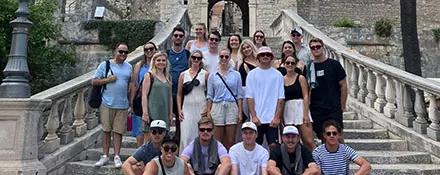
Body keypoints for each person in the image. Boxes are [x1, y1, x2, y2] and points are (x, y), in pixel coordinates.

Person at [92, 42, 132, 168]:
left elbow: (130, 85)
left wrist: (130, 103)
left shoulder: (129, 67)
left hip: (123, 104)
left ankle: (117, 156)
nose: (123, 54)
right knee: (106, 130)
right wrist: (107, 80)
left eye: (125, 52)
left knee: (118, 131)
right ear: (116, 51)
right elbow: (93, 81)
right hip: (106, 103)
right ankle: (104, 156)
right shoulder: (105, 64)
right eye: (121, 51)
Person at [308, 38, 348, 141]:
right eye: (313, 47)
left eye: (318, 47)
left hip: (333, 108)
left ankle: (342, 157)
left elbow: (343, 85)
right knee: (323, 138)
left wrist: (342, 105)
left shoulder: (334, 65)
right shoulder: (309, 68)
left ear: (323, 47)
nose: (316, 49)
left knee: (337, 137)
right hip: (316, 109)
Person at [246, 46, 284, 150]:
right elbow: (250, 97)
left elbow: (280, 98)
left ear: (272, 57)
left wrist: (277, 117)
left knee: (274, 146)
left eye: (268, 55)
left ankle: (273, 166)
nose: (265, 57)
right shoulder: (251, 74)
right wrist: (253, 116)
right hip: (257, 118)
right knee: (255, 146)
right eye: (262, 55)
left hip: (272, 119)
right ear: (258, 57)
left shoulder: (278, 75)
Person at [206, 49, 244, 149]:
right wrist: (208, 111)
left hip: (231, 105)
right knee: (217, 139)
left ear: (229, 58)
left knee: (230, 139)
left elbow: (239, 95)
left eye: (226, 57)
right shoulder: (213, 75)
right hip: (217, 105)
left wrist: (240, 111)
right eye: (222, 56)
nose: (224, 59)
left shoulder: (236, 75)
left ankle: (230, 160)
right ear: (219, 58)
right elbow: (210, 95)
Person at [177, 50, 209, 151]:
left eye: (198, 58)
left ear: (201, 60)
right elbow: (179, 94)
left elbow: (209, 94)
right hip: (187, 108)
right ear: (190, 59)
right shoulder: (183, 74)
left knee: (198, 134)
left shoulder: (206, 74)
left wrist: (208, 109)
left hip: (201, 108)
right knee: (186, 135)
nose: (196, 60)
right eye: (194, 57)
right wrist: (179, 110)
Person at [282, 55, 316, 151]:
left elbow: (305, 96)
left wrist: (305, 114)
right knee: (291, 142)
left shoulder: (300, 78)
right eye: (287, 63)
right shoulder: (281, 79)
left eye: (292, 63)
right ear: (284, 64)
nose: (290, 65)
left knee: (308, 141)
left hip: (300, 108)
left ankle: (317, 163)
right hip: (287, 110)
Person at [130, 42, 157, 146]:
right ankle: (139, 153)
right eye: (146, 50)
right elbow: (134, 85)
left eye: (151, 49)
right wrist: (131, 103)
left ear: (155, 50)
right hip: (141, 100)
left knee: (152, 129)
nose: (149, 51)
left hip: (154, 100)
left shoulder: (159, 64)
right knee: (139, 129)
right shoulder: (139, 65)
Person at [168, 26, 190, 142]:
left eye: (180, 36)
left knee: (181, 122)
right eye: (176, 35)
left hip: (182, 94)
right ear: (172, 37)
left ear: (184, 38)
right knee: (166, 120)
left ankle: (179, 146)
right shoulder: (166, 54)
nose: (178, 38)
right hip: (167, 94)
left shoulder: (187, 55)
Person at [141, 52, 173, 134]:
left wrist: (170, 113)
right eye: (158, 60)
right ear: (154, 62)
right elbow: (144, 95)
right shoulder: (149, 76)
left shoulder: (168, 77)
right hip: (152, 110)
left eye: (163, 60)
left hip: (164, 111)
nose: (161, 62)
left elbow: (170, 97)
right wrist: (145, 113)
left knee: (163, 136)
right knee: (149, 136)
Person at [237, 39, 259, 119]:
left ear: (252, 47)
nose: (246, 50)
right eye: (244, 48)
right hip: (248, 93)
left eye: (248, 47)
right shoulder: (243, 64)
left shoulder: (259, 61)